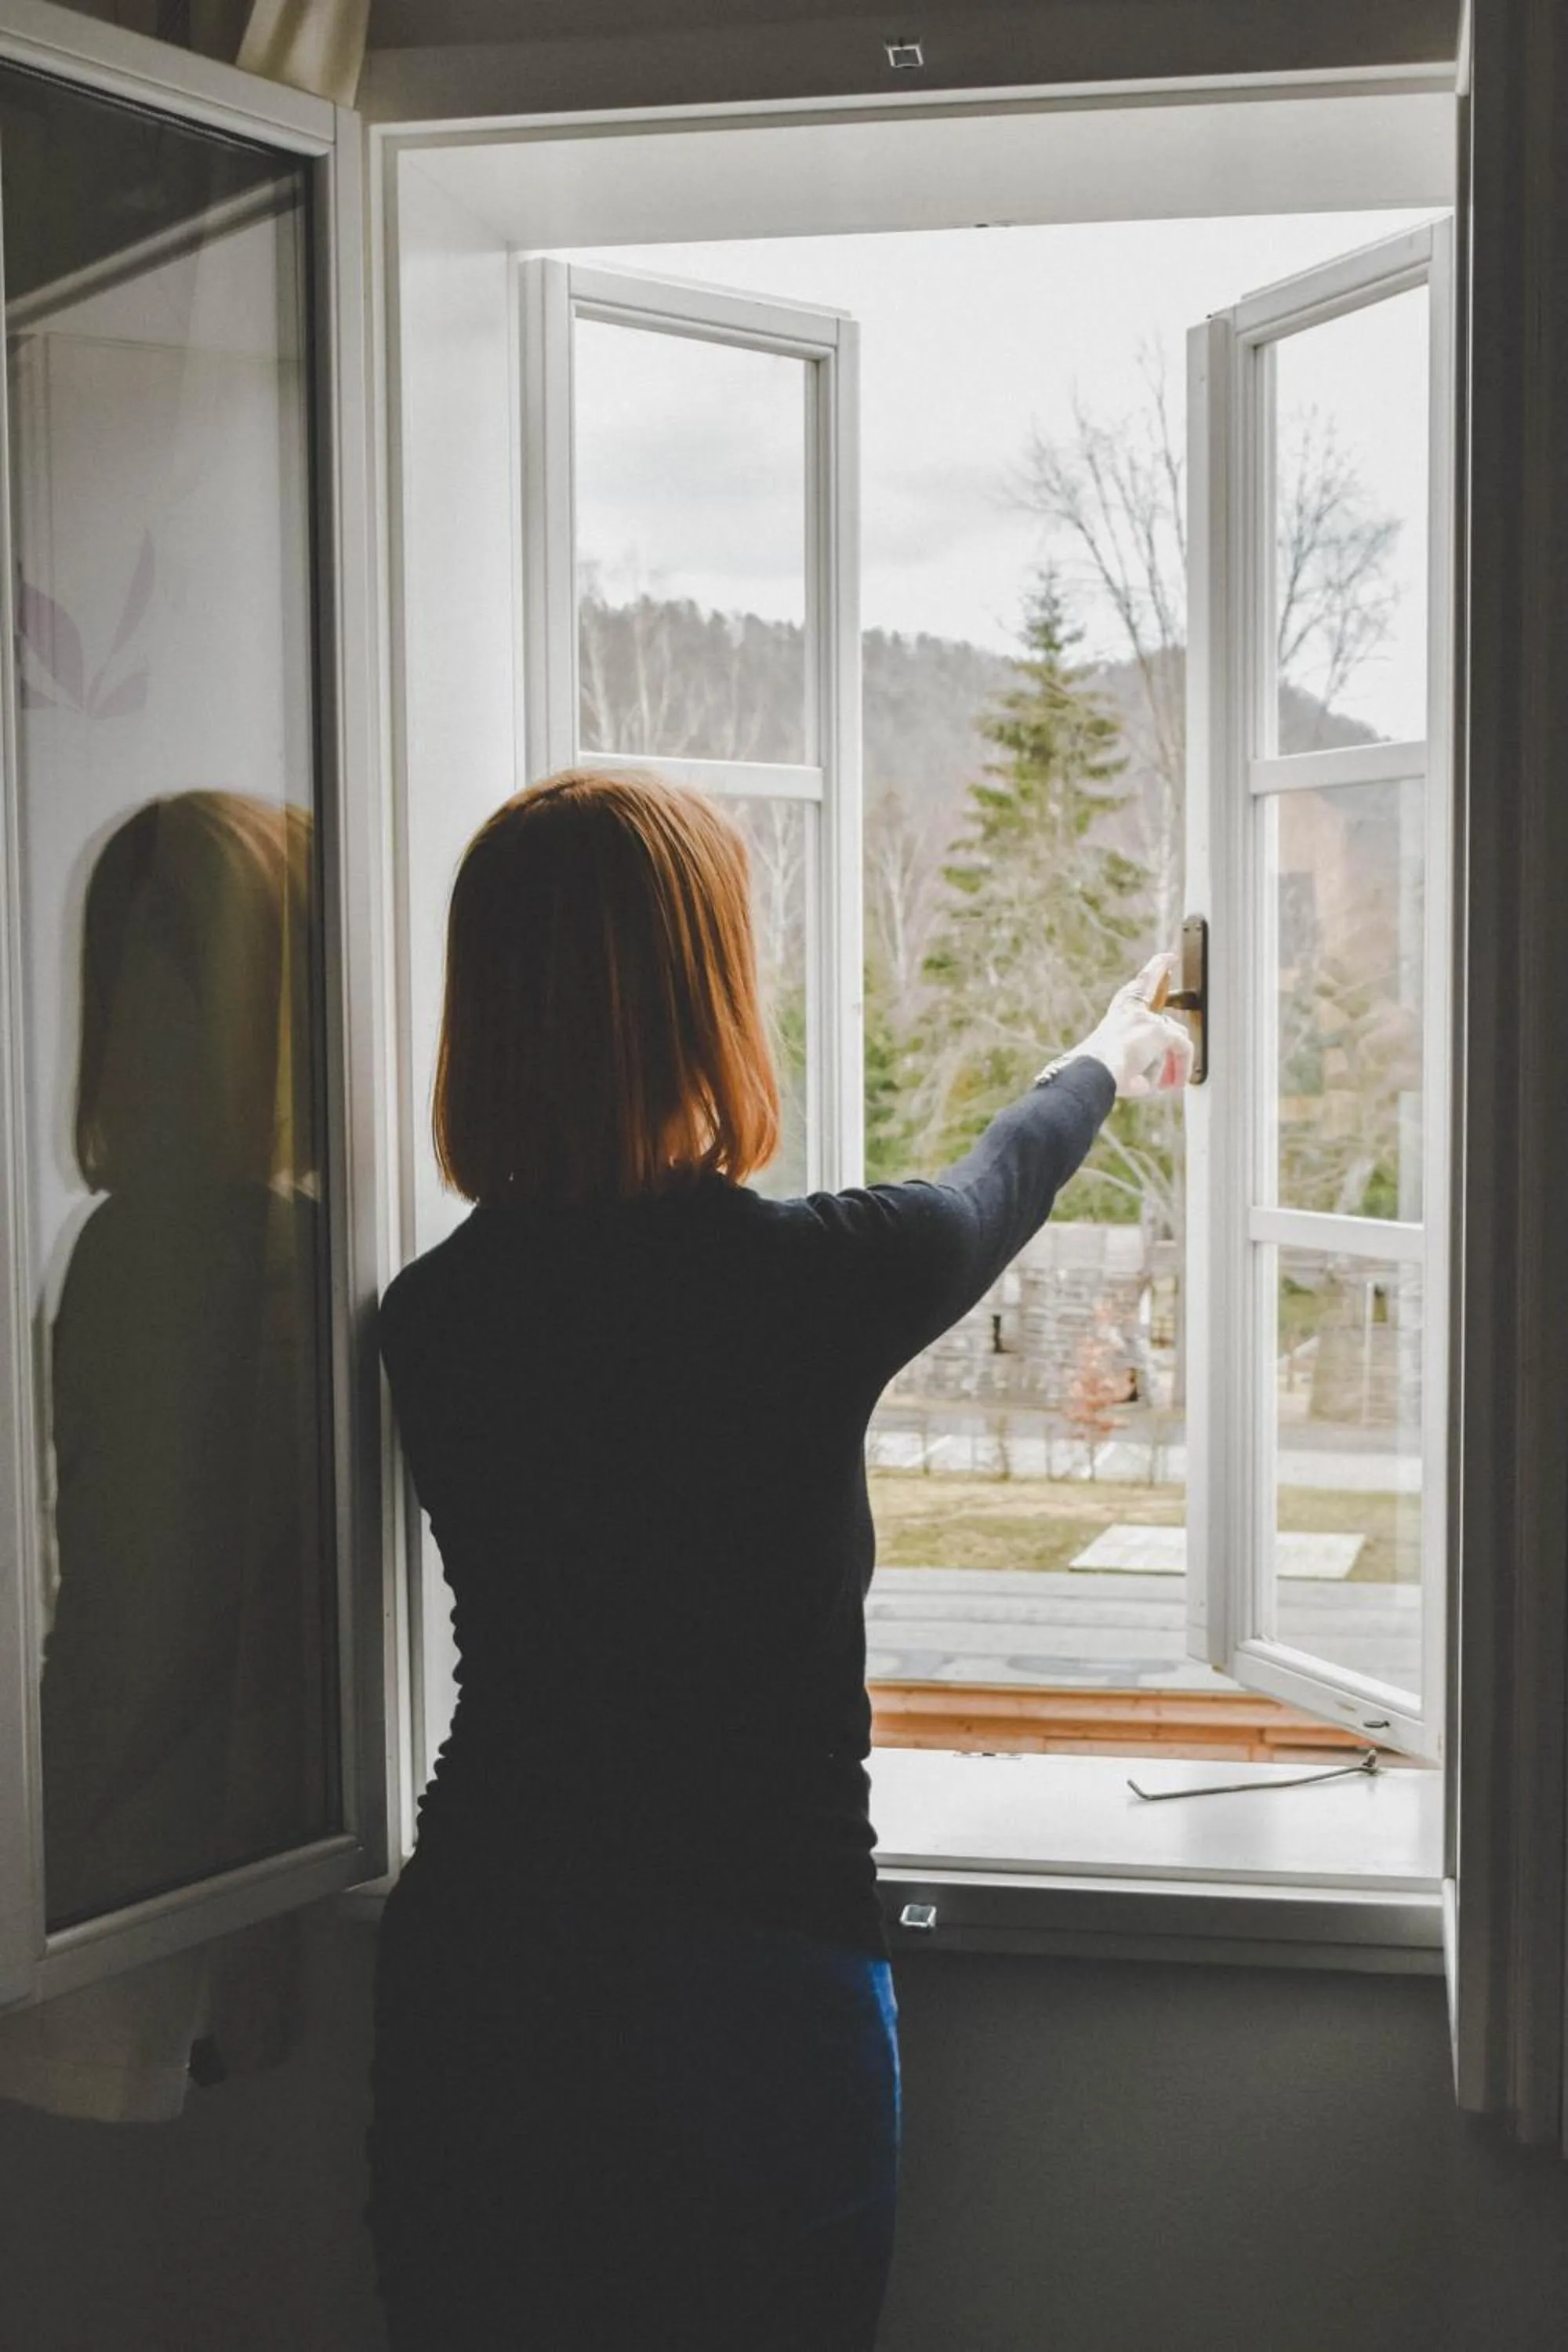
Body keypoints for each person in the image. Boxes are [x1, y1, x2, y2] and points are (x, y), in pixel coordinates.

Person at [367, 767, 1191, 2351]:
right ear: (705, 1009)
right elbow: (1000, 1182)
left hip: (484, 1966)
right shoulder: (807, 1283)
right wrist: (1110, 1049)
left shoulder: (432, 1315)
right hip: (748, 1978)